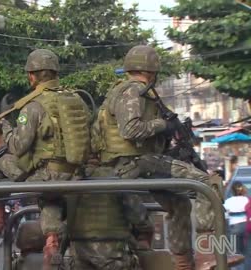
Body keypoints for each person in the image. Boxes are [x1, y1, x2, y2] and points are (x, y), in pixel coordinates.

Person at [92, 44, 243, 269]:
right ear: (151, 70)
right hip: (134, 162)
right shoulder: (134, 90)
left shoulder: (129, 91)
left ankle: (183, 262)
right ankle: (208, 252)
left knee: (180, 203)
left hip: (133, 162)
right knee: (206, 183)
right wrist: (164, 125)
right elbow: (130, 130)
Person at [0, 48, 92, 268]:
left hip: (47, 177)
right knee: (50, 200)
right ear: (56, 73)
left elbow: (19, 146)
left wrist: (6, 126)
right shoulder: (76, 99)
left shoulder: (32, 106)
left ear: (31, 75)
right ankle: (52, 239)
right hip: (76, 175)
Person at [223, 181, 250, 270]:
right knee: (247, 253)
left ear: (232, 190)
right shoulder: (247, 200)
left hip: (234, 228)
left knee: (235, 254)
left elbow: (225, 216)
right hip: (247, 228)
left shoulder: (228, 202)